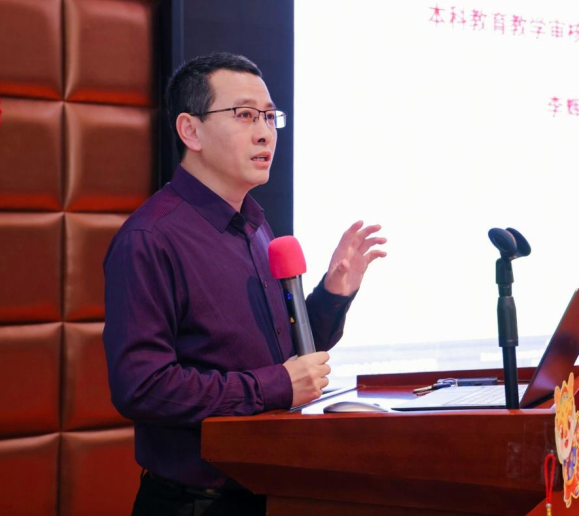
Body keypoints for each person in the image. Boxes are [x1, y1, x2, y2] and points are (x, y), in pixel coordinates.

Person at [102, 52, 386, 516]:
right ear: (190, 131)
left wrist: (334, 293)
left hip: (271, 492)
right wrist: (276, 386)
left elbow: (285, 352)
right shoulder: (150, 238)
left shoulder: (254, 226)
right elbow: (143, 387)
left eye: (270, 117)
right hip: (196, 504)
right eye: (245, 115)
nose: (265, 132)